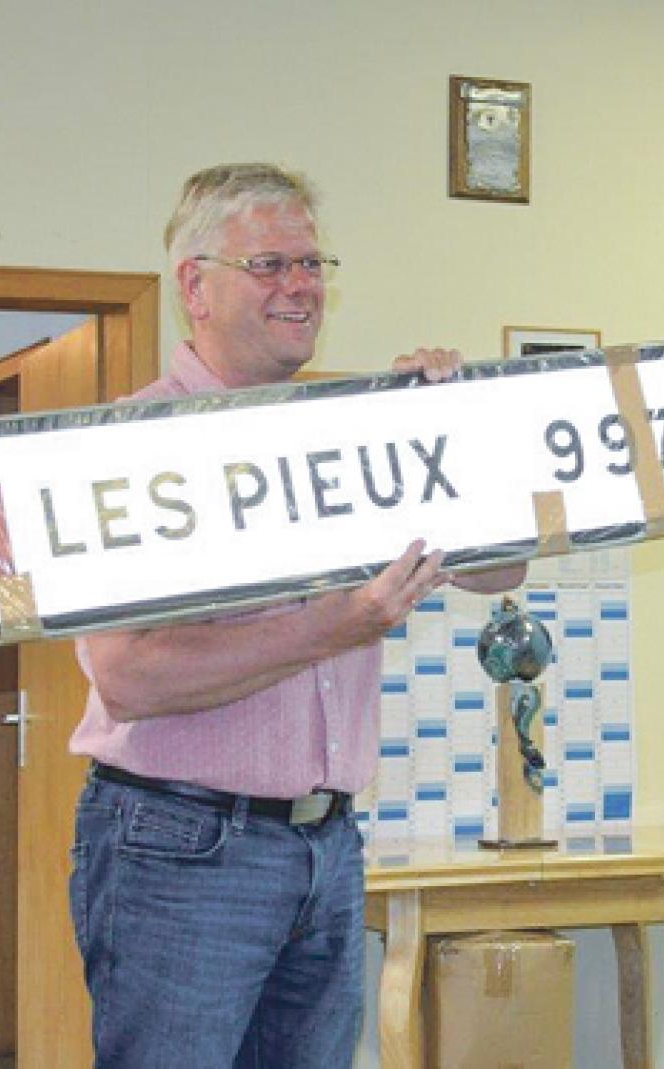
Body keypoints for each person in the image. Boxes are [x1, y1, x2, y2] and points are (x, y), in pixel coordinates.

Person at [64, 163, 524, 1068]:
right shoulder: (128, 445)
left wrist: (446, 431)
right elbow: (129, 676)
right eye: (269, 264)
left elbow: (501, 565)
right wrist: (337, 625)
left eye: (311, 264)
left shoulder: (354, 430)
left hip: (326, 846)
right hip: (180, 849)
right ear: (195, 286)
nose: (301, 286)